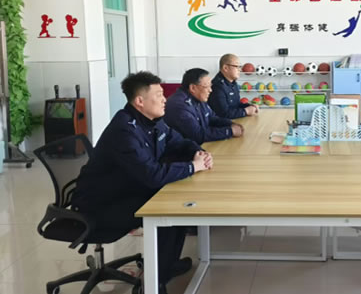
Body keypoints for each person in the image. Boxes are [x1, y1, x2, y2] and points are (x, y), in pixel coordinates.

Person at [71, 71, 213, 294]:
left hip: (126, 189)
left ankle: (167, 265)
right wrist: (192, 167)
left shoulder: (153, 121)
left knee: (177, 204)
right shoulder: (124, 130)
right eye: (158, 95)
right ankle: (155, 282)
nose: (165, 99)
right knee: (167, 210)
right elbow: (152, 175)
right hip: (100, 205)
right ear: (139, 101)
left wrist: (198, 152)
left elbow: (179, 141)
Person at [165, 68, 244, 143]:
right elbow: (197, 135)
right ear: (193, 88)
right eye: (207, 86)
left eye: (210, 86)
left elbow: (212, 118)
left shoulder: (198, 97)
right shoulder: (179, 105)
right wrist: (229, 131)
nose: (210, 90)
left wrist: (230, 124)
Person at [208, 54, 259, 119]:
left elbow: (236, 105)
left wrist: (249, 106)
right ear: (225, 68)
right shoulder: (217, 86)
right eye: (237, 66)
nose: (240, 70)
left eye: (240, 67)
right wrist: (245, 111)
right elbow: (223, 114)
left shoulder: (233, 83)